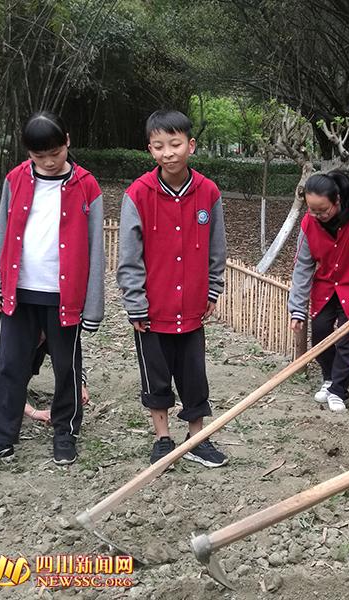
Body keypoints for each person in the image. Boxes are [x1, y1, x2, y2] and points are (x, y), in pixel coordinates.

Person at [0, 112, 104, 470]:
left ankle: (65, 431)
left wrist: (93, 304)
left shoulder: (86, 185)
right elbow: (2, 231)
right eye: (39, 157)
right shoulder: (16, 180)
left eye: (54, 153)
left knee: (66, 366)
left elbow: (95, 247)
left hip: (64, 295)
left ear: (67, 142)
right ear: (29, 154)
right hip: (20, 290)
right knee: (10, 365)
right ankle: (0, 437)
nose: (48, 162)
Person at [117, 109, 228, 467]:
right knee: (156, 374)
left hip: (192, 307)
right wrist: (135, 302)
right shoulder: (138, 194)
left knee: (194, 374)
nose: (169, 153)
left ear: (190, 145)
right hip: (153, 310)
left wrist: (212, 288)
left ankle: (196, 437)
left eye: (176, 144)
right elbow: (129, 256)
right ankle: (162, 437)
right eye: (159, 146)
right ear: (150, 150)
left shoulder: (208, 193)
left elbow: (217, 247)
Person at [288, 171, 349, 412]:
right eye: (311, 209)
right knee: (321, 330)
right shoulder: (309, 222)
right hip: (326, 285)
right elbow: (303, 265)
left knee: (348, 337)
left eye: (322, 210)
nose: (315, 216)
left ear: (338, 200)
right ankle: (330, 379)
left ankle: (338, 390)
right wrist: (297, 309)